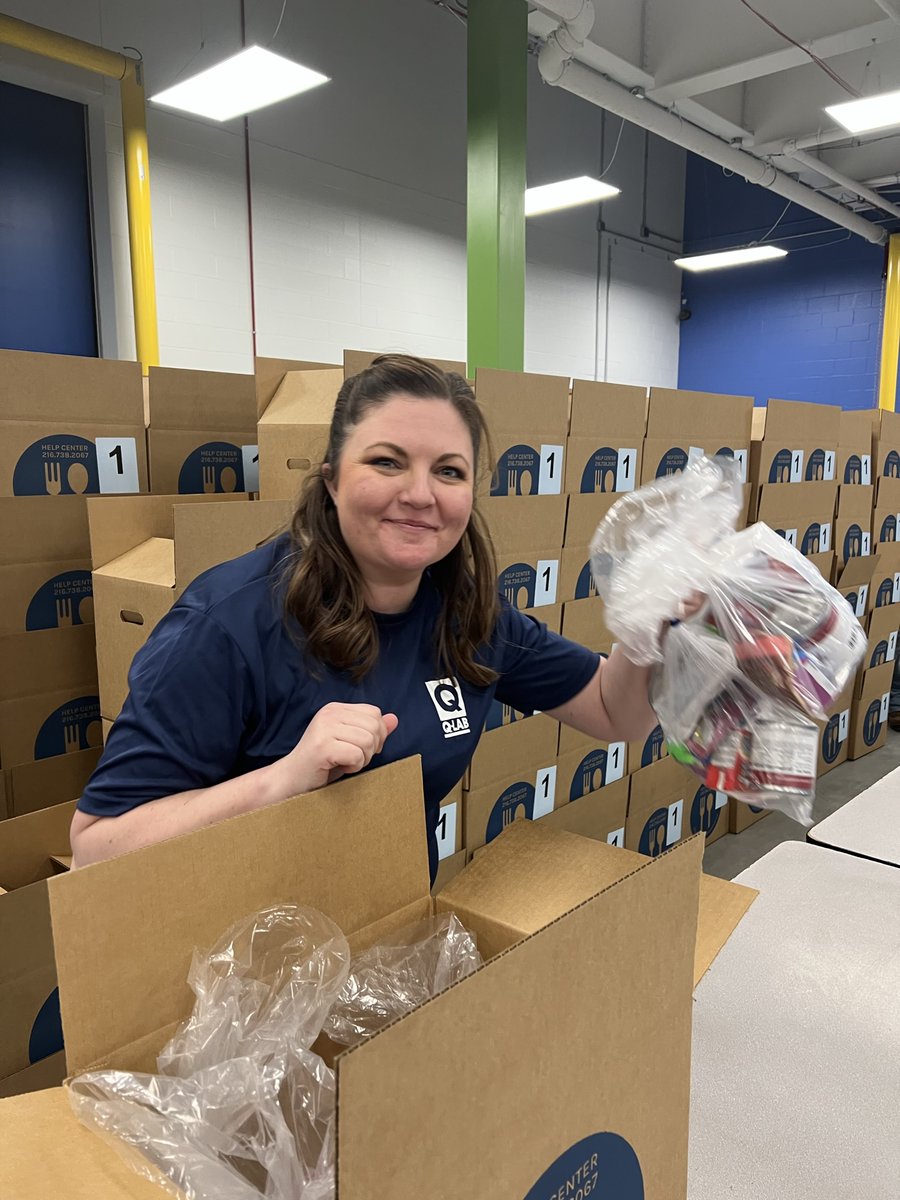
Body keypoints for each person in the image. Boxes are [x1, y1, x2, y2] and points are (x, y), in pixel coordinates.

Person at [70, 355, 657, 880]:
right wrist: (286, 779)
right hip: (235, 972)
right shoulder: (226, 627)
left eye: (449, 471)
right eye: (387, 462)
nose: (421, 494)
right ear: (331, 480)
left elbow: (614, 711)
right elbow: (96, 848)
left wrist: (648, 619)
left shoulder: (470, 618)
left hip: (384, 945)